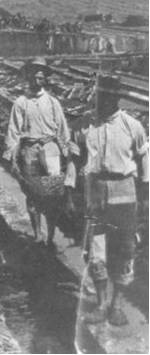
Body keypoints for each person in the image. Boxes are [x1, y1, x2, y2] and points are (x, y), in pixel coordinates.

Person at [65, 76, 148, 326]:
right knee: (96, 251)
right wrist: (69, 192)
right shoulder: (84, 125)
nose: (103, 101)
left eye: (108, 97)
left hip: (125, 191)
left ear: (116, 98)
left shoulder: (132, 126)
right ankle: (101, 304)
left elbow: (145, 164)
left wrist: (145, 199)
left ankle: (117, 305)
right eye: (99, 96)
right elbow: (73, 160)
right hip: (95, 192)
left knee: (124, 250)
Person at [4, 57, 70, 246]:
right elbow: (13, 131)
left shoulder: (52, 102)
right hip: (29, 151)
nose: (37, 80)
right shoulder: (21, 103)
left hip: (50, 150)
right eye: (34, 76)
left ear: (45, 79)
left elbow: (62, 129)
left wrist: (66, 153)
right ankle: (37, 235)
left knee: (52, 195)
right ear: (28, 77)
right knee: (32, 195)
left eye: (41, 77)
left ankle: (50, 236)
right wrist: (12, 157)